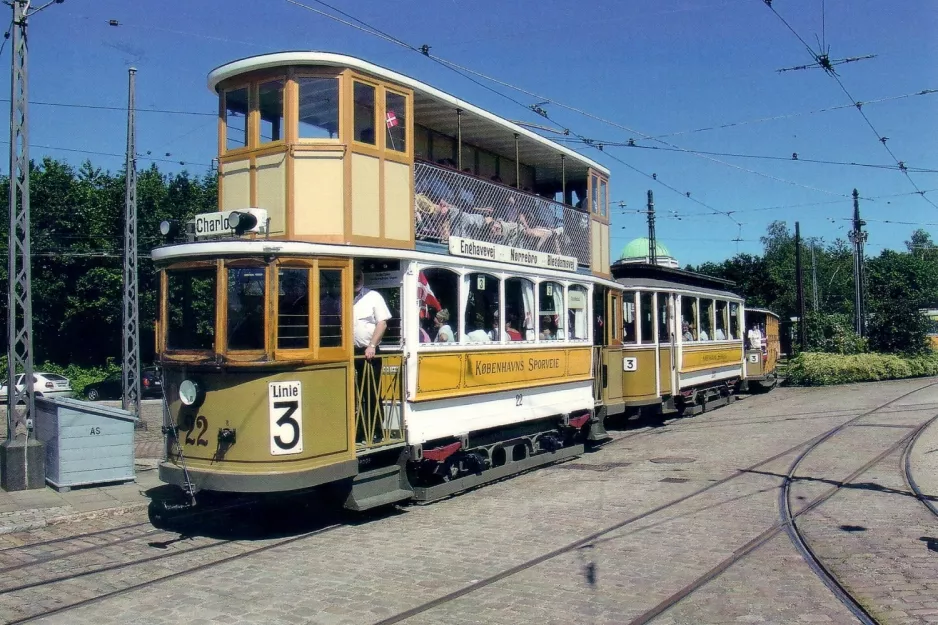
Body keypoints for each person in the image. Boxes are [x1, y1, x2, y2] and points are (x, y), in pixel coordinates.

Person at [353, 267, 391, 443]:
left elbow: (381, 323)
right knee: (355, 394)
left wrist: (372, 345)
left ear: (362, 277)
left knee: (371, 392)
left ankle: (376, 431)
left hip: (369, 352)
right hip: (351, 353)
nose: (355, 280)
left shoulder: (373, 296)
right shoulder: (345, 297)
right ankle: (359, 432)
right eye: (352, 277)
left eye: (358, 276)